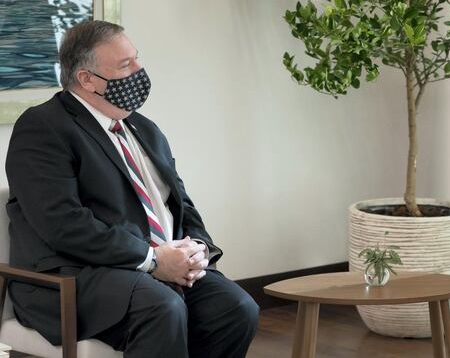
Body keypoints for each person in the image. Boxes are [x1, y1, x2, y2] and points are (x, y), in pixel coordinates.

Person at [5, 20, 260, 358]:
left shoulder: (143, 128)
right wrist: (153, 260)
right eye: (126, 65)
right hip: (76, 279)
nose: (140, 70)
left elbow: (180, 204)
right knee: (162, 306)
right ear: (87, 79)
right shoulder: (43, 127)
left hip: (152, 269)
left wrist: (197, 248)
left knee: (236, 307)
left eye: (136, 59)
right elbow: (63, 224)